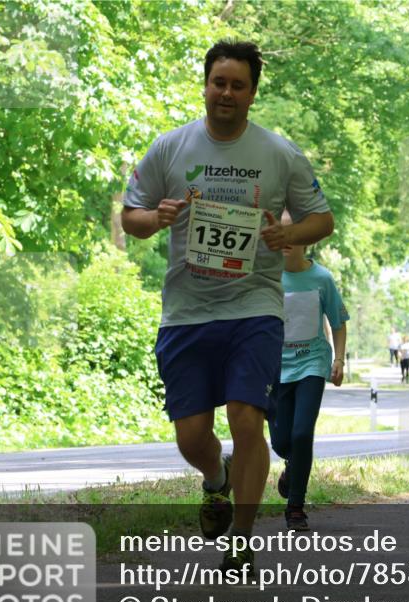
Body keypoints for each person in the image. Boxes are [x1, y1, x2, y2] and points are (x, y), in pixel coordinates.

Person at [121, 41, 333, 573]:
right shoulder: (171, 148)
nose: (227, 93)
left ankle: (241, 538)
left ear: (253, 93)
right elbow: (131, 216)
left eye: (239, 85)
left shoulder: (279, 154)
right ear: (206, 84)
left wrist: (287, 232)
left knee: (246, 417)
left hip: (255, 306)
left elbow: (321, 220)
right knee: (191, 435)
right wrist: (158, 218)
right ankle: (216, 479)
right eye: (220, 82)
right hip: (187, 311)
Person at [272, 211, 348, 532]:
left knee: (302, 434)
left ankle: (296, 508)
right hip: (275, 368)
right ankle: (292, 464)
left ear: (306, 239)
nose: (287, 239)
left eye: (294, 233)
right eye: (281, 232)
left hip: (312, 364)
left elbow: (339, 322)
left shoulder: (322, 279)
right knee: (281, 441)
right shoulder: (267, 277)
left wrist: (339, 360)